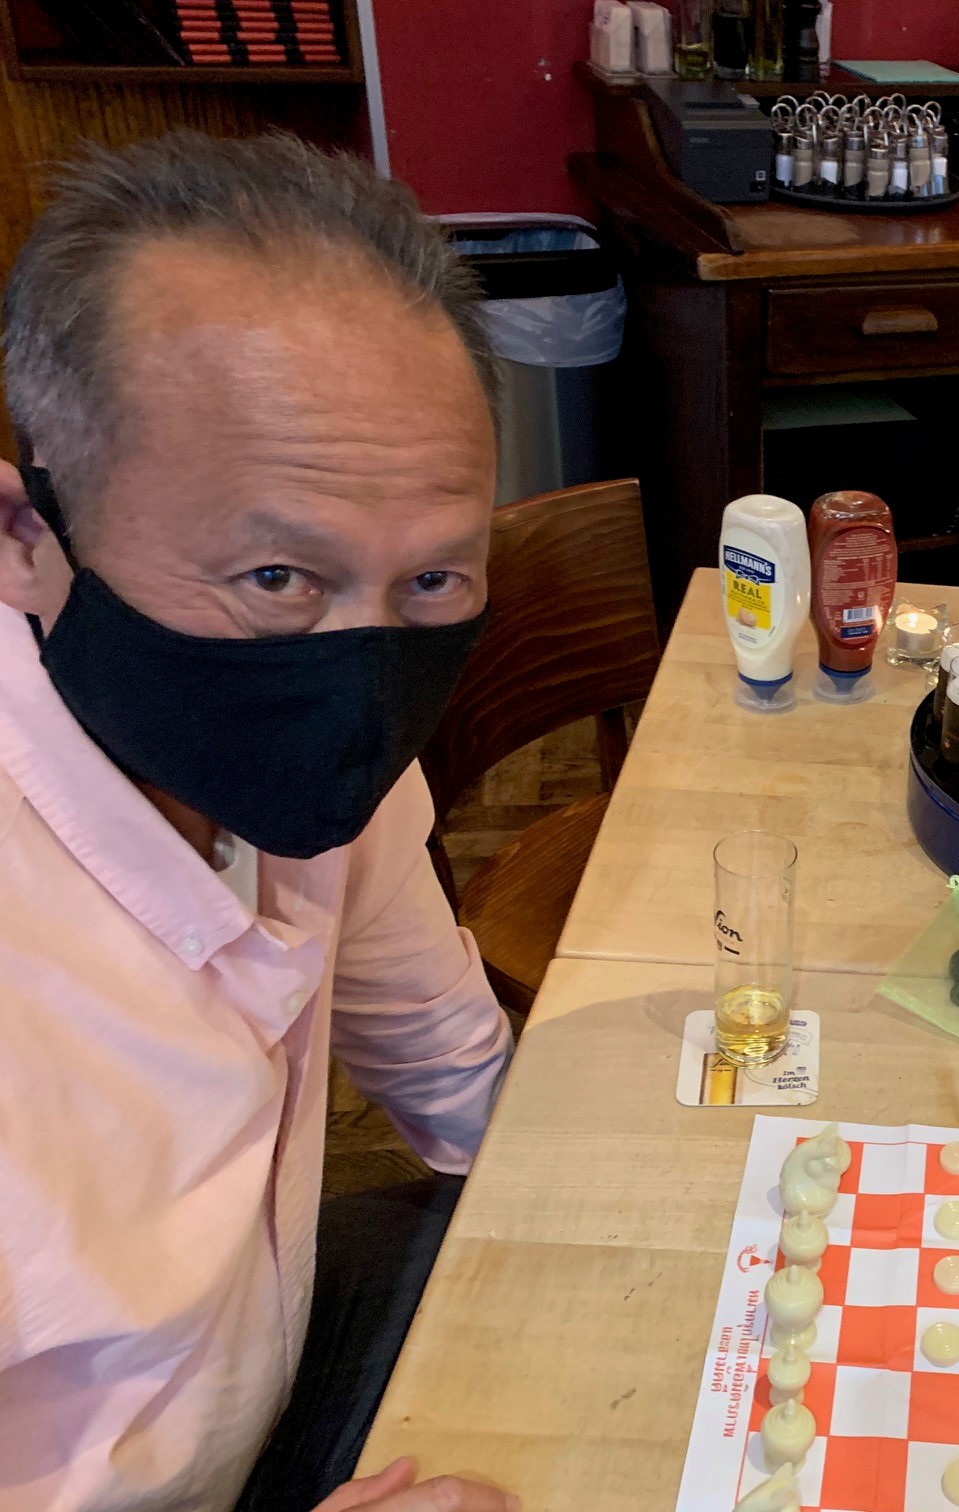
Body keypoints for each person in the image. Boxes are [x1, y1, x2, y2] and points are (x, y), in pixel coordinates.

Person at [0, 134, 521, 1512]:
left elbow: (447, 1063)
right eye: (277, 577)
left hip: (270, 1371)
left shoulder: (329, 775)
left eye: (431, 580)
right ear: (25, 536)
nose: (362, 671)